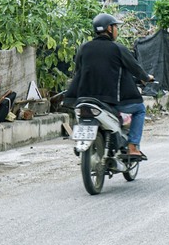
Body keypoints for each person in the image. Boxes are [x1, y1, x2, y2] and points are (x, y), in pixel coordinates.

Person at [65, 13, 154, 160]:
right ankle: (132, 147)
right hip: (110, 100)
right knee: (139, 109)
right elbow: (135, 68)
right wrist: (146, 77)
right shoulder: (117, 48)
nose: (117, 30)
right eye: (115, 27)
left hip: (84, 99)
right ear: (109, 29)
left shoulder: (84, 48)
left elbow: (79, 70)